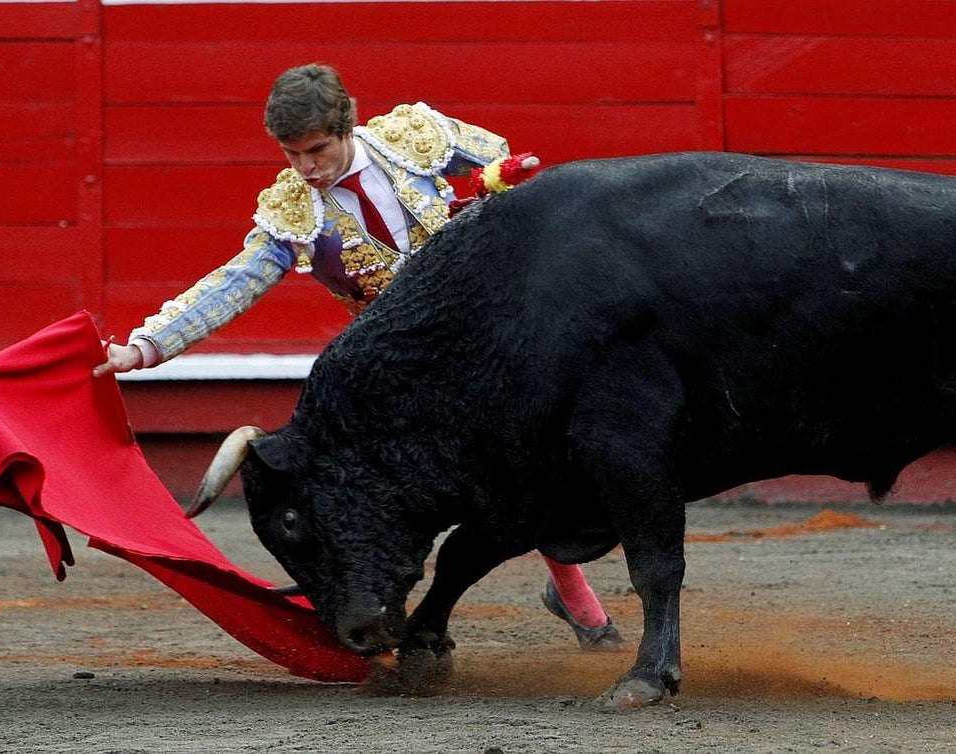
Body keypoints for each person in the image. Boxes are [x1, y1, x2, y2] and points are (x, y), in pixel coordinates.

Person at [93, 63, 623, 650]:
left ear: (345, 126)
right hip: (403, 374)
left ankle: (562, 592)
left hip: (492, 334)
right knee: (488, 476)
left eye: (316, 150)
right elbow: (233, 283)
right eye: (292, 154)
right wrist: (145, 346)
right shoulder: (293, 212)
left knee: (546, 452)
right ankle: (541, 603)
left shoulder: (417, 138)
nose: (305, 168)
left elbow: (509, 176)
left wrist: (485, 196)